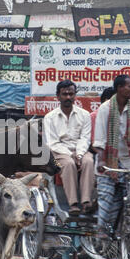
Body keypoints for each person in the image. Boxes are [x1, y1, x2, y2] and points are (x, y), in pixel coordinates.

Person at [93, 75, 130, 237]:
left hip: (127, 162)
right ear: (119, 88)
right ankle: (101, 231)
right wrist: (102, 159)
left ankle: (124, 232)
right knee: (106, 197)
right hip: (107, 161)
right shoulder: (105, 109)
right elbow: (99, 139)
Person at [43, 80, 94, 215]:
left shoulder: (85, 115)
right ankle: (73, 203)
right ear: (58, 96)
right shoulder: (50, 117)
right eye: (64, 94)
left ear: (75, 95)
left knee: (88, 161)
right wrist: (71, 155)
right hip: (59, 151)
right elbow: (52, 143)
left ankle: (86, 201)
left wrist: (79, 154)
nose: (68, 97)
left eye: (71, 94)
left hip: (80, 149)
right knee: (69, 164)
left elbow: (85, 138)